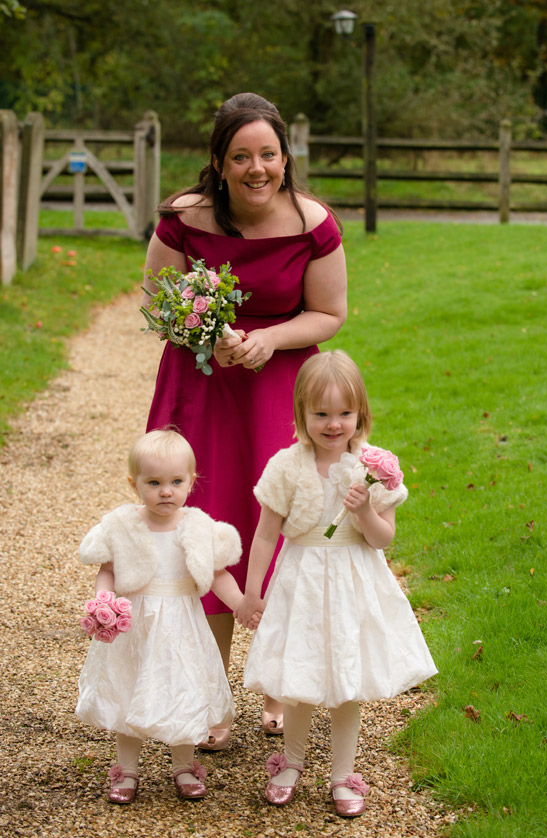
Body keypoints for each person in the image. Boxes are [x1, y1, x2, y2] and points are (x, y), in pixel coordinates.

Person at [142, 92, 347, 749]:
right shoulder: (184, 218)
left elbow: (330, 314)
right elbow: (160, 300)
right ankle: (207, 694)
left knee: (285, 528)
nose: (257, 168)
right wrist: (211, 331)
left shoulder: (315, 223)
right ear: (219, 162)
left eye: (268, 154)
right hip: (200, 386)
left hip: (282, 388)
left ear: (286, 157)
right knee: (204, 529)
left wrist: (271, 338)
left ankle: (281, 688)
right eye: (241, 156)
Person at [234, 350, 438, 818]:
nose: (333, 424)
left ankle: (342, 774)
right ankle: (292, 761)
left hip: (352, 581)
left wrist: (365, 508)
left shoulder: (371, 468)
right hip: (302, 579)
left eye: (344, 413)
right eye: (320, 413)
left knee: (347, 680)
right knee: (301, 675)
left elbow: (383, 538)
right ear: (302, 414)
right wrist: (252, 591)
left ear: (360, 414)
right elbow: (265, 533)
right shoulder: (287, 466)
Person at [75, 429, 253, 804]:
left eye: (175, 482)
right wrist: (103, 600)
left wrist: (241, 604)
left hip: (181, 627)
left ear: (192, 480)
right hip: (134, 626)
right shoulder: (123, 526)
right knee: (129, 688)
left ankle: (184, 765)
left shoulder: (198, 527)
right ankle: (127, 769)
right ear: (134, 483)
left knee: (182, 690)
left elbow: (218, 574)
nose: (165, 491)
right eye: (153, 483)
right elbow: (106, 569)